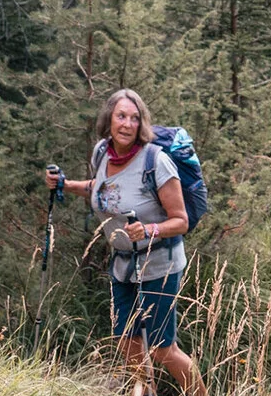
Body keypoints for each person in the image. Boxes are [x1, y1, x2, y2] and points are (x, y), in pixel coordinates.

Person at [42, 89, 208, 396]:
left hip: (159, 263)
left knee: (161, 347)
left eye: (134, 118)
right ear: (109, 119)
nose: (127, 124)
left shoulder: (155, 162)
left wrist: (148, 229)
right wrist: (66, 184)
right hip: (122, 265)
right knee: (127, 340)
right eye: (121, 116)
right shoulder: (102, 152)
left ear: (142, 123)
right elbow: (104, 189)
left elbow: (180, 220)